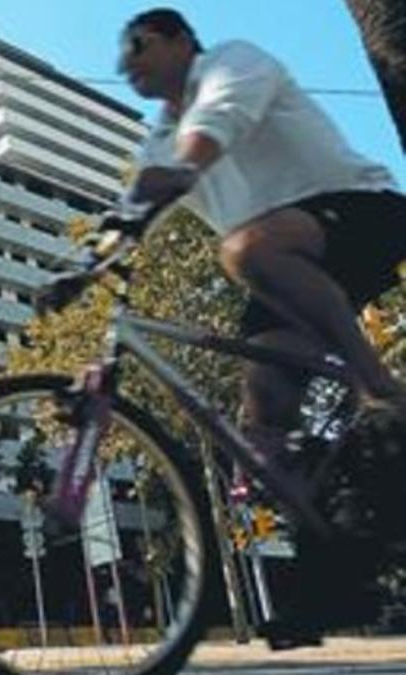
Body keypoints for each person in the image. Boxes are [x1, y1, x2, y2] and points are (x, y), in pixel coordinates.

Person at [113, 7, 406, 647]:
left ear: (181, 40)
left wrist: (177, 174)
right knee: (263, 432)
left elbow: (217, 125)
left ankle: (380, 388)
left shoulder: (232, 62)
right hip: (283, 264)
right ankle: (336, 574)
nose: (126, 63)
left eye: (138, 45)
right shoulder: (159, 137)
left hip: (359, 214)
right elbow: (131, 207)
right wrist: (80, 268)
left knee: (244, 251)